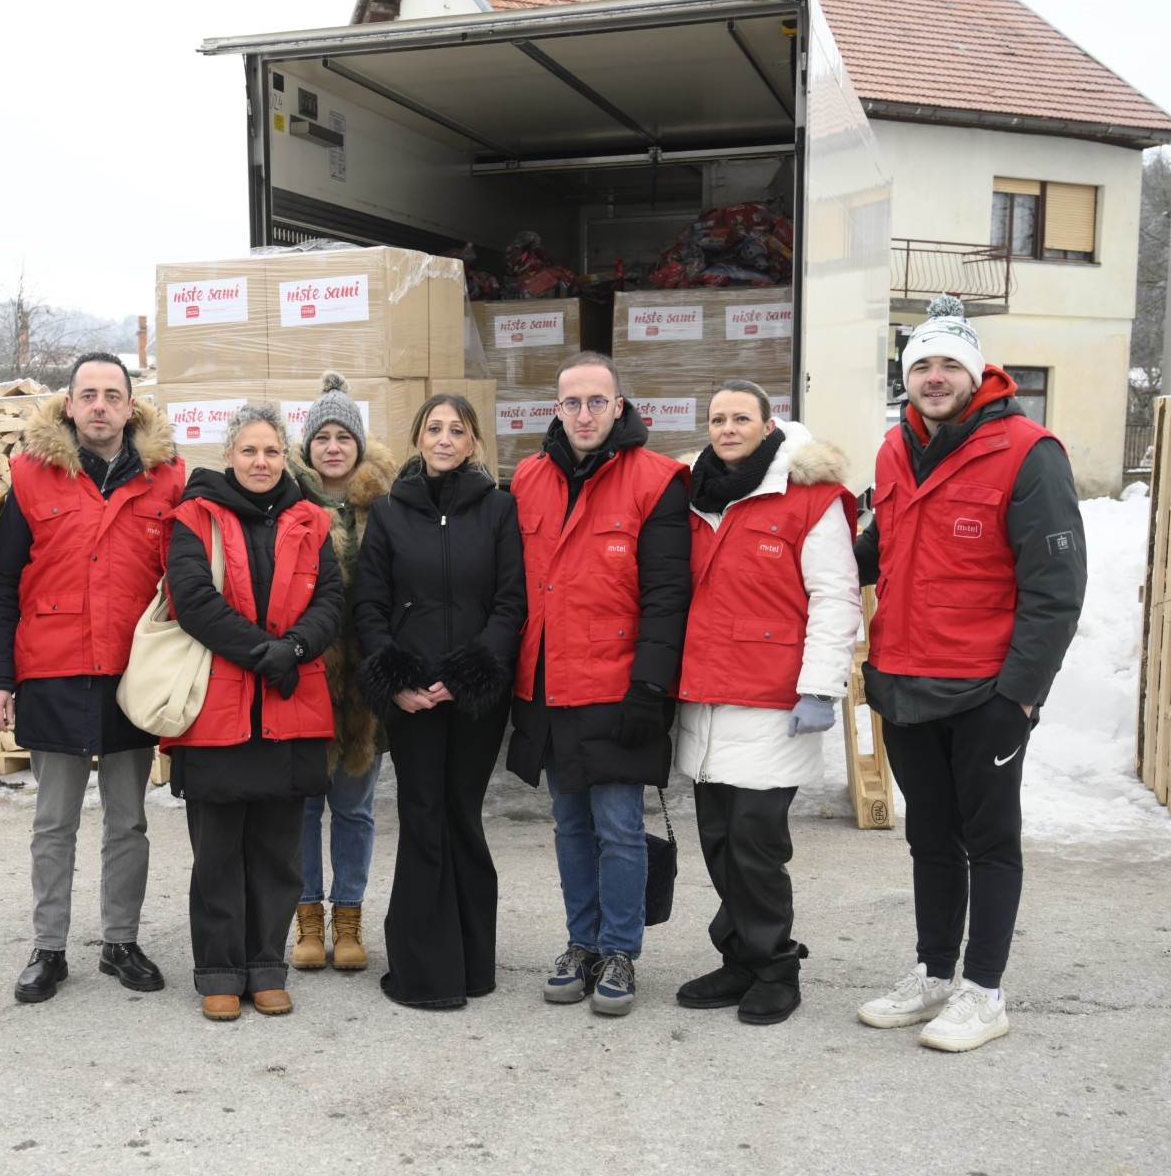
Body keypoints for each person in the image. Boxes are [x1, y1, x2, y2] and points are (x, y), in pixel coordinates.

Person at [854, 295, 1085, 1052]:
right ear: (906, 375)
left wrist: (1018, 695)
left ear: (978, 370)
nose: (934, 376)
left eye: (949, 363)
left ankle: (984, 991)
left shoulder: (1028, 450)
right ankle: (932, 972)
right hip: (904, 680)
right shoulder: (895, 449)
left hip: (986, 689)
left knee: (990, 840)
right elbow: (883, 550)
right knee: (930, 837)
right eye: (921, 364)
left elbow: (1056, 589)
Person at [0, 352, 186, 1003]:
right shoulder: (33, 479)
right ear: (69, 405)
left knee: (128, 821)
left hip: (133, 676)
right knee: (53, 821)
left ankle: (120, 940)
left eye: (111, 394)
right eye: (87, 394)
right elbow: (2, 586)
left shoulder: (167, 479)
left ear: (131, 406)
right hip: (54, 670)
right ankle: (49, 947)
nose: (99, 405)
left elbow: (188, 581)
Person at [507, 351, 691, 1018]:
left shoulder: (657, 480)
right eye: (570, 402)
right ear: (557, 409)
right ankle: (581, 941)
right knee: (568, 824)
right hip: (550, 685)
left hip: (617, 687)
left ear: (619, 407)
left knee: (617, 825)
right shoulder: (527, 479)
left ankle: (620, 950)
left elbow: (668, 596)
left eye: (595, 401)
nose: (583, 414)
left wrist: (652, 688)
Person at [672, 381, 860, 1026]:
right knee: (719, 839)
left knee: (756, 843)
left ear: (768, 423)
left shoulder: (808, 500)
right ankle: (739, 959)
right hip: (704, 699)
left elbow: (836, 597)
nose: (727, 428)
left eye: (741, 418)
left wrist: (819, 687)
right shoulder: (695, 496)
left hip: (774, 700)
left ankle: (776, 965)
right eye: (717, 418)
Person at [161, 404, 343, 1022]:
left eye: (270, 451)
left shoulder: (312, 520)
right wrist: (261, 652)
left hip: (291, 705)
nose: (260, 462)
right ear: (229, 454)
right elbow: (192, 598)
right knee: (216, 851)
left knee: (277, 852)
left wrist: (293, 648)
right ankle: (218, 970)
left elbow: (332, 598)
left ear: (284, 455)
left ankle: (266, 967)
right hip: (217, 710)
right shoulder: (196, 516)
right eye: (249, 451)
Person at [353, 393, 525, 1009]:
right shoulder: (390, 514)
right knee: (424, 817)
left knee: (462, 817)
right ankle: (426, 971)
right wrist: (394, 678)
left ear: (474, 442)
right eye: (434, 429)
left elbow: (511, 604)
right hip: (412, 697)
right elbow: (369, 606)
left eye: (458, 430)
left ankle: (475, 961)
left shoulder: (501, 511)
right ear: (419, 440)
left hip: (474, 695)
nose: (446, 439)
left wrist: (474, 669)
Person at [286, 372, 398, 973]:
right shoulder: (288, 502)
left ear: (359, 444)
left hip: (364, 680)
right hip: (305, 675)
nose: (333, 447)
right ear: (308, 447)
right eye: (322, 436)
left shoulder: (385, 505)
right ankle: (306, 920)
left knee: (354, 807)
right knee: (304, 805)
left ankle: (348, 918)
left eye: (343, 436)